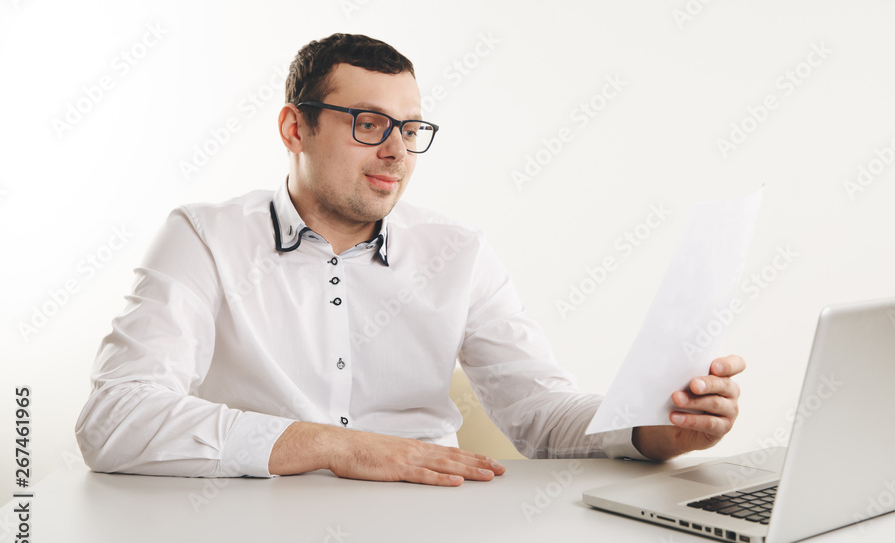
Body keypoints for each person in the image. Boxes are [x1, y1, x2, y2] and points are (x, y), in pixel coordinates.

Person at [76, 33, 745, 486]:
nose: (397, 151)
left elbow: (540, 411)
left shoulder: (458, 252)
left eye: (411, 128)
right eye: (368, 124)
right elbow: (116, 418)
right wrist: (339, 446)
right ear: (294, 128)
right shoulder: (204, 237)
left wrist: (655, 430)